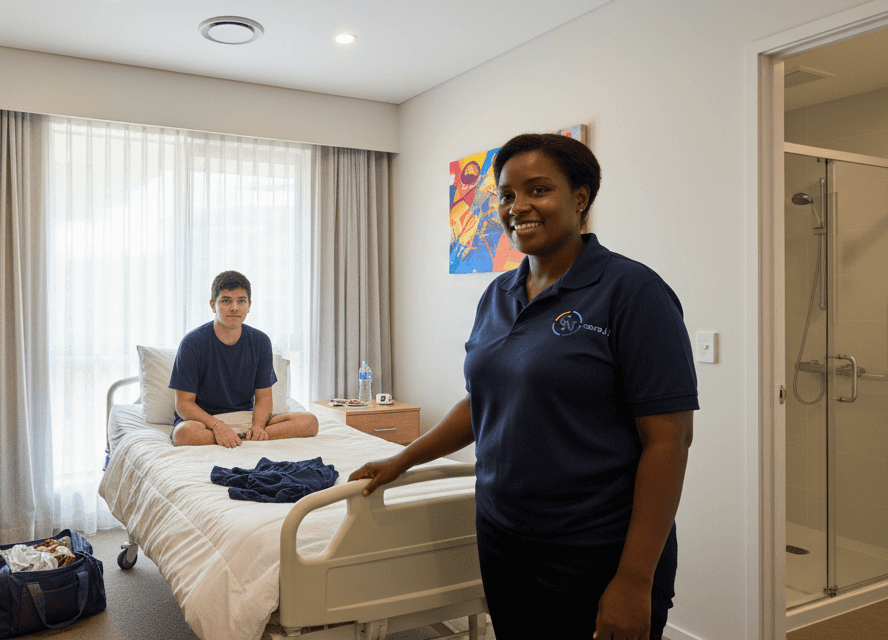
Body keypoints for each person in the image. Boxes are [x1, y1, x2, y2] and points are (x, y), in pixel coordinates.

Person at [349, 133, 698, 640]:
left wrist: (633, 580)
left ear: (580, 198)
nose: (519, 207)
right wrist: (403, 458)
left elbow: (669, 442)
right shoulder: (498, 294)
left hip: (595, 546)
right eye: (507, 195)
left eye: (538, 190)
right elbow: (482, 402)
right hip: (503, 534)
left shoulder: (632, 292)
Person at [169, 271, 320, 448]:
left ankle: (245, 437)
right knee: (183, 435)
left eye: (241, 301)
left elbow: (264, 398)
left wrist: (257, 427)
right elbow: (183, 404)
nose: (234, 307)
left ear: (249, 305)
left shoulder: (260, 341)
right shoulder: (192, 342)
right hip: (205, 422)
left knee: (310, 422)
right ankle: (239, 438)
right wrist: (218, 426)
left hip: (245, 418)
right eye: (226, 301)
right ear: (212, 305)